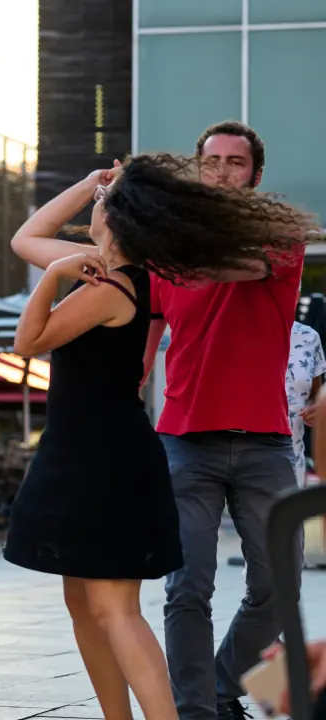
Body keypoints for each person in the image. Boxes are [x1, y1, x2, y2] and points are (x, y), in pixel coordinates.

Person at [7, 150, 315, 720]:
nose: (96, 205)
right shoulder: (102, 266)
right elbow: (27, 237)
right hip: (126, 444)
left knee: (130, 604)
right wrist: (89, 182)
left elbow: (30, 341)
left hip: (155, 448)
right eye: (211, 162)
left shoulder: (155, 272)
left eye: (103, 202)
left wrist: (155, 216)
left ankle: (199, 702)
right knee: (115, 598)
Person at [137, 122, 311, 720]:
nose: (222, 172)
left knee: (277, 586)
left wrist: (156, 219)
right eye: (211, 162)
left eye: (236, 163)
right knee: (187, 589)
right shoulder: (166, 251)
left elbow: (227, 268)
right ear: (198, 168)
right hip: (184, 438)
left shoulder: (279, 234)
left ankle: (218, 682)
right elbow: (151, 321)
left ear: (255, 176)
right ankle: (195, 711)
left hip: (264, 439)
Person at [287, 321, 326, 487]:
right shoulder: (242, 329)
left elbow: (316, 395)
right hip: (245, 453)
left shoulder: (309, 336)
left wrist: (315, 410)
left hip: (293, 455)